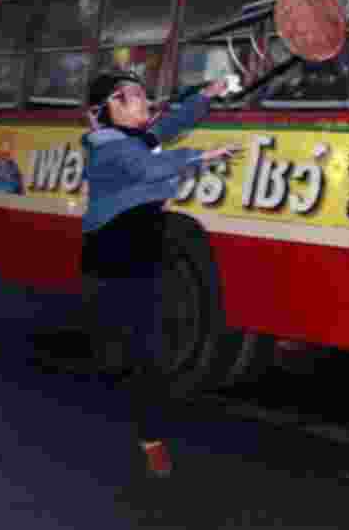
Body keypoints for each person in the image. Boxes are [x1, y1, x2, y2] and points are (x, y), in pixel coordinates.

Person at [80, 70, 240, 479]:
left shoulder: (131, 138)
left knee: (143, 348)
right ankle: (151, 441)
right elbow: (145, 168)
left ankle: (149, 430)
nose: (145, 103)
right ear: (108, 109)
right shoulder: (106, 149)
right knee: (140, 353)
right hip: (116, 253)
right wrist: (202, 156)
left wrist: (206, 95)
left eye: (143, 96)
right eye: (133, 97)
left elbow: (170, 126)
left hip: (145, 247)